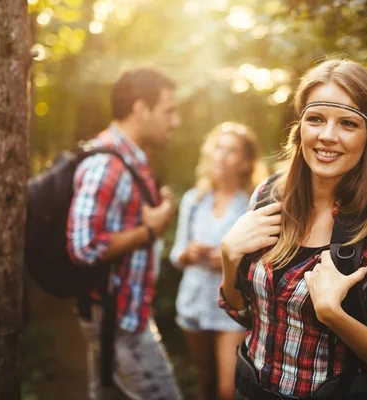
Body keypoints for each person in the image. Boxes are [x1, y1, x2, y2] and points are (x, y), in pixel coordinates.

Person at [219, 57, 367, 399]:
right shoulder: (268, 198)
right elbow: (246, 316)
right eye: (316, 119)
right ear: (300, 126)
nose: (328, 136)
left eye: (348, 123)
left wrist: (334, 315)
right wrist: (229, 258)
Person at [67, 67, 183, 400]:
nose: (174, 122)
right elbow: (83, 246)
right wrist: (150, 229)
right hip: (119, 323)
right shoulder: (108, 164)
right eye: (168, 111)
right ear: (139, 109)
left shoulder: (131, 159)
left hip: (119, 315)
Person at [169, 122, 266, 400]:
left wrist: (228, 261)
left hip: (232, 308)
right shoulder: (194, 199)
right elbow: (177, 255)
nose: (221, 155)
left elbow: (262, 263)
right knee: (204, 379)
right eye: (218, 148)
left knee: (227, 390)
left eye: (231, 151)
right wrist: (189, 253)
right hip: (193, 302)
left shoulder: (253, 204)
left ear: (246, 163)